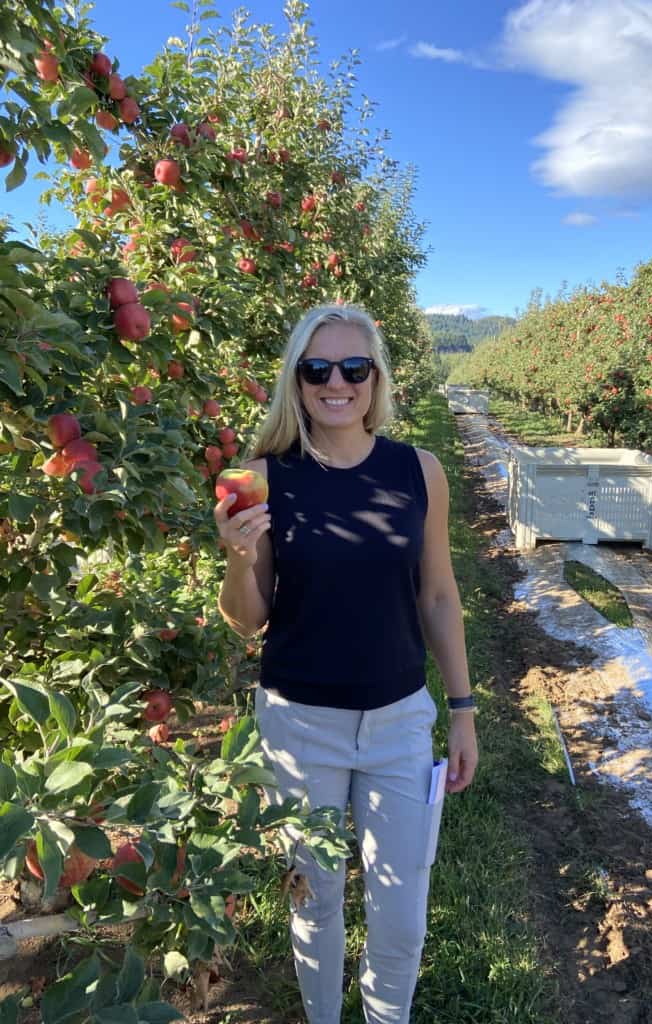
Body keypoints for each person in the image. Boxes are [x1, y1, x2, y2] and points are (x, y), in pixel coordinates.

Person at [215, 303, 478, 1024]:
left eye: (354, 368)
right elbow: (249, 618)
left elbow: (439, 593)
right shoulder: (264, 478)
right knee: (316, 899)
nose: (338, 383)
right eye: (318, 368)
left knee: (401, 912)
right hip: (299, 727)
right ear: (296, 381)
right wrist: (238, 559)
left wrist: (462, 709)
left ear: (377, 379)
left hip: (398, 721)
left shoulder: (418, 472)